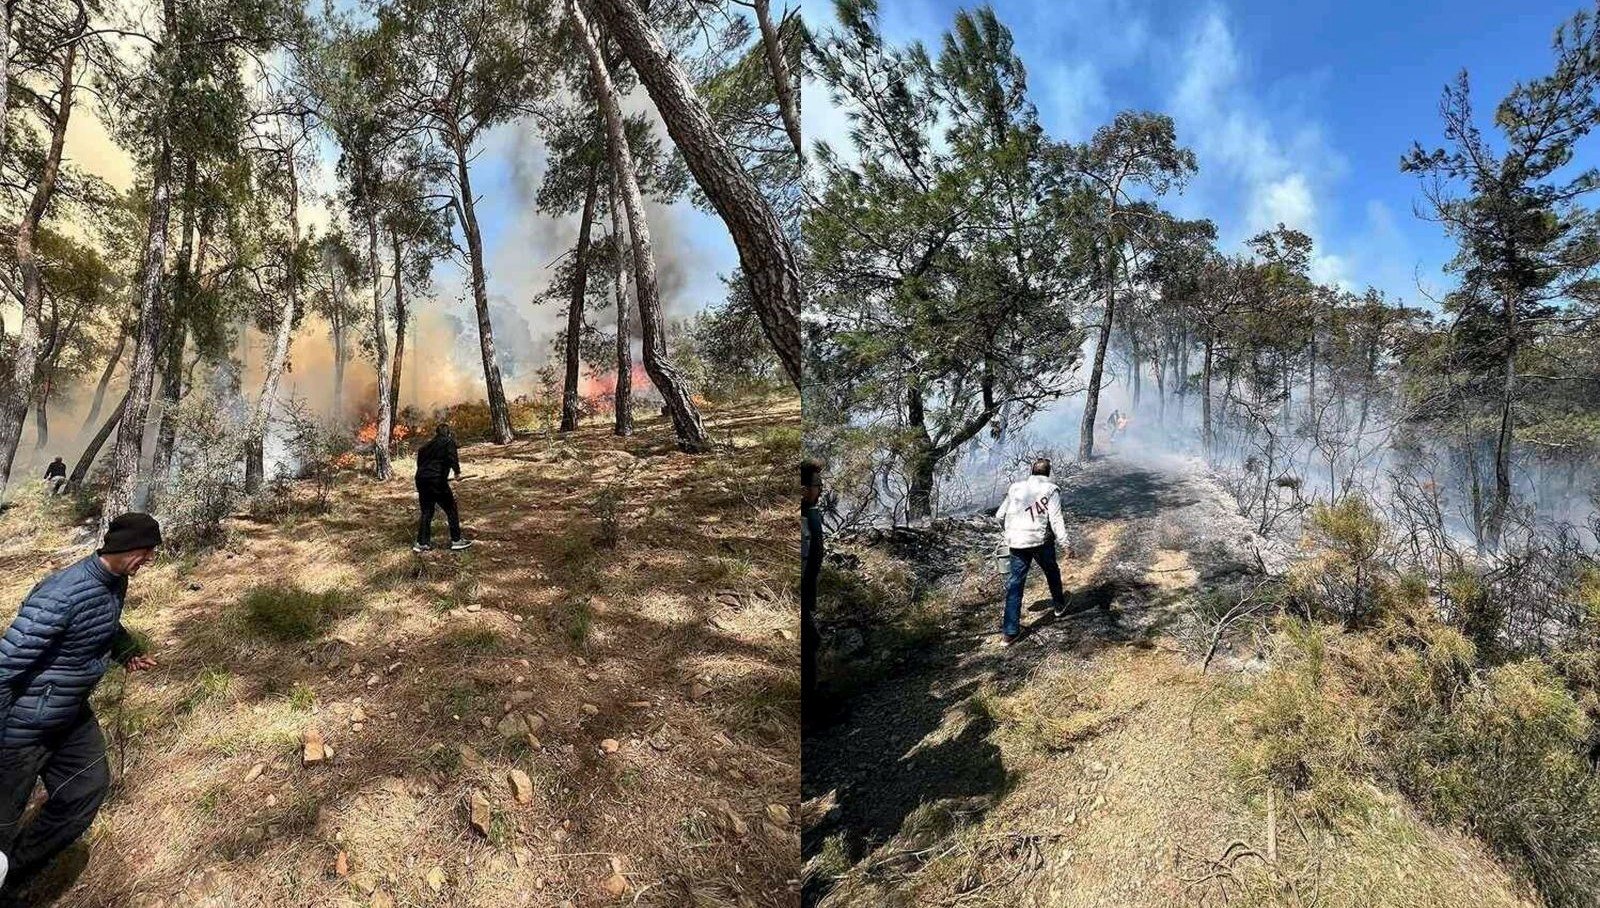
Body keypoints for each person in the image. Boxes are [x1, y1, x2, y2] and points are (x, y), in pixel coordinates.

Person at [0, 512, 159, 897]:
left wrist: (125, 651)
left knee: (86, 789)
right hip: (24, 727)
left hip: (70, 715)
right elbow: (6, 664)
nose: (149, 559)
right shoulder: (62, 593)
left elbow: (103, 624)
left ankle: (14, 877)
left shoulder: (115, 580)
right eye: (146, 551)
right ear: (126, 548)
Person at [993, 458, 1071, 645]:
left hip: (1017, 543)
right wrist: (1066, 544)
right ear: (1048, 473)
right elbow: (1056, 519)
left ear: (1031, 471)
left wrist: (1010, 533)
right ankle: (1059, 605)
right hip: (1040, 542)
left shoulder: (1015, 488)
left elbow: (999, 516)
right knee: (1051, 571)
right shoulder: (1051, 489)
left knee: (1015, 585)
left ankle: (1010, 633)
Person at [414, 424, 471, 552]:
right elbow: (452, 457)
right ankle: (456, 540)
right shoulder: (448, 441)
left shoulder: (425, 447)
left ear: (437, 433)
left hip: (421, 480)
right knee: (451, 508)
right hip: (437, 480)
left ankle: (422, 543)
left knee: (427, 511)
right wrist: (457, 473)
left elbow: (420, 464)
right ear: (448, 433)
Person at [800, 460, 825, 706]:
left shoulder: (810, 514)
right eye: (817, 485)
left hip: (805, 595)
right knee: (808, 642)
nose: (820, 490)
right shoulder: (803, 520)